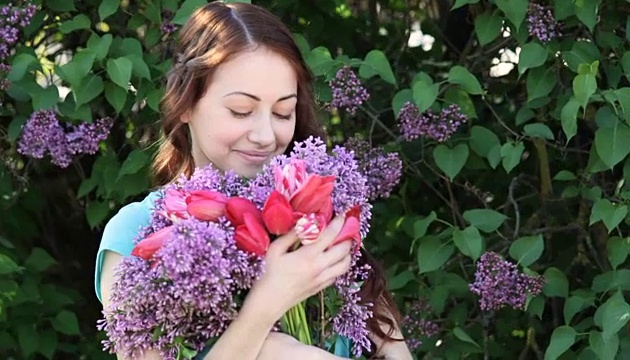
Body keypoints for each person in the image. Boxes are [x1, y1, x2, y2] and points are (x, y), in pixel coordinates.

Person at [94, 2, 412, 359]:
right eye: (241, 111)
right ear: (184, 104)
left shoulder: (316, 209)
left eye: (282, 112)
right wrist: (269, 302)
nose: (265, 135)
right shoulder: (135, 234)